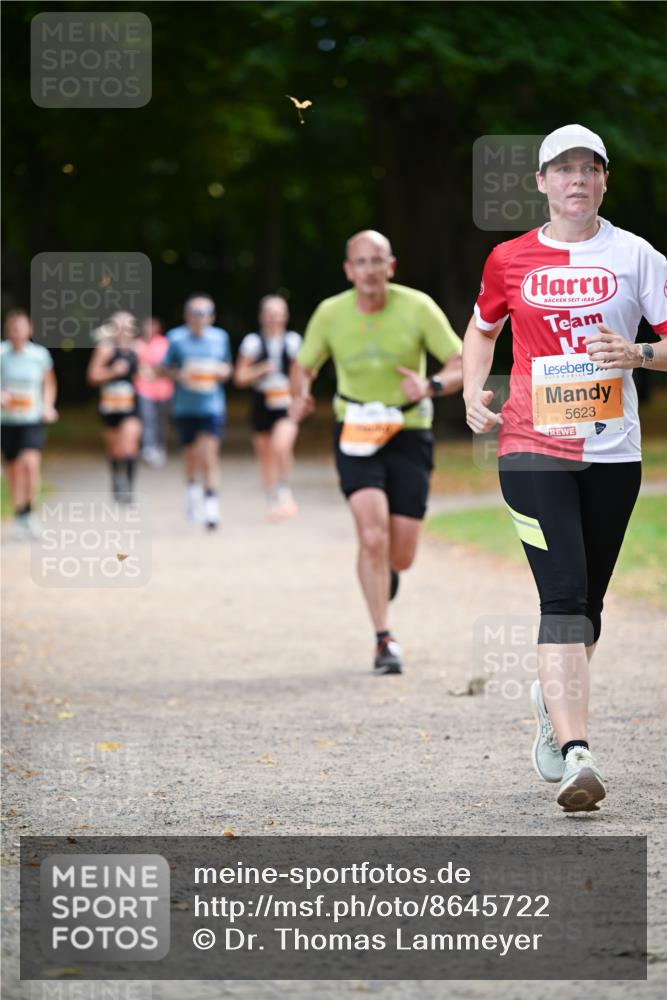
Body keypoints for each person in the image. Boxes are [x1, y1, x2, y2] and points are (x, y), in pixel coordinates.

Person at [463, 125, 667, 813]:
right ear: (541, 181)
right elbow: (481, 327)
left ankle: (554, 710)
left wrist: (636, 355)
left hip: (613, 453)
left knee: (590, 605)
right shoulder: (508, 259)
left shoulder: (636, 256)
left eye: (589, 168)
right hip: (529, 446)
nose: (576, 180)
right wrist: (470, 391)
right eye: (562, 169)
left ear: (604, 180)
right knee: (562, 598)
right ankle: (578, 755)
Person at [291, 230, 463, 675]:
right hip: (356, 429)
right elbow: (303, 365)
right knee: (371, 535)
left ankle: (385, 570)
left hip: (409, 429)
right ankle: (384, 639)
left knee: (399, 554)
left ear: (391, 266)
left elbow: (461, 362)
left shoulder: (417, 307)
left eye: (377, 261)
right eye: (360, 262)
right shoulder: (330, 313)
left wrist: (430, 385)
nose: (369, 270)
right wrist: (300, 394)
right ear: (349, 270)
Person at [162, 294, 232, 530]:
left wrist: (222, 372)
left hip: (212, 406)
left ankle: (212, 508)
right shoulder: (175, 338)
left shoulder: (220, 338)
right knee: (191, 456)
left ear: (211, 316)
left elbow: (227, 367)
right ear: (187, 315)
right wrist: (180, 375)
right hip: (184, 407)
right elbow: (163, 369)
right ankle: (192, 492)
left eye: (204, 313)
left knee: (209, 456)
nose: (199, 318)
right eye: (194, 313)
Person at [234, 295, 302, 521]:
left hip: (285, 402)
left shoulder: (293, 342)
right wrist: (260, 370)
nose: (274, 317)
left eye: (278, 312)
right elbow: (240, 377)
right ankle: (272, 499)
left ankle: (284, 490)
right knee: (265, 455)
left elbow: (302, 374)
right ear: (262, 316)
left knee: (281, 446)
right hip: (262, 401)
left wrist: (298, 394)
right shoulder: (252, 343)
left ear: (286, 316)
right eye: (270, 313)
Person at [1, 309, 58, 537]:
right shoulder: (1, 353)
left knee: (30, 464)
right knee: (14, 469)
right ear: (8, 331)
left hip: (32, 419)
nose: (17, 332)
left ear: (29, 329)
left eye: (21, 327)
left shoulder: (39, 355)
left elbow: (49, 383)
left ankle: (31, 512)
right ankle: (19, 514)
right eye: (13, 328)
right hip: (7, 420)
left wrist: (47, 405)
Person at [86, 311, 142, 503]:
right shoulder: (105, 349)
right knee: (114, 449)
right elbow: (92, 376)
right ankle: (116, 479)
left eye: (128, 327)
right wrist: (112, 371)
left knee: (130, 446)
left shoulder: (138, 349)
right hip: (110, 405)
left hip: (131, 405)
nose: (124, 332)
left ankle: (129, 486)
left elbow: (145, 373)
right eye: (119, 327)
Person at [135, 317, 173, 467]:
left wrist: (155, 371)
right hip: (143, 388)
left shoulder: (164, 343)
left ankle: (160, 446)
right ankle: (148, 448)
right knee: (147, 418)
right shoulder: (137, 344)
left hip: (164, 389)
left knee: (161, 420)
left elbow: (169, 364)